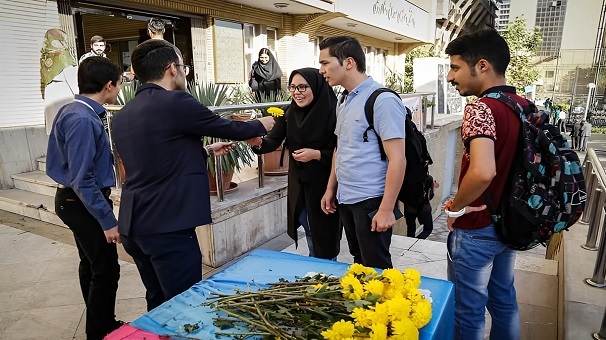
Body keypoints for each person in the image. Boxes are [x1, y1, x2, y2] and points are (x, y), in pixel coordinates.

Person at [111, 39, 275, 311]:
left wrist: (207, 151)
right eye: (184, 67)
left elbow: (156, 158)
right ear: (172, 68)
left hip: (134, 225)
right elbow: (229, 128)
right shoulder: (176, 101)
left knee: (157, 301)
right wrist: (262, 123)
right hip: (168, 228)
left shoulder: (123, 113)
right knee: (184, 306)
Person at [444, 29, 522, 340]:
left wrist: (456, 208)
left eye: (456, 67)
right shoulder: (523, 106)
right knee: (504, 299)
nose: (451, 77)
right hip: (511, 222)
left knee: (468, 308)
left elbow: (483, 172)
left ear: (483, 66)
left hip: (479, 226)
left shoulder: (481, 108)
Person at [46, 56, 123, 340]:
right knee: (105, 269)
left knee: (91, 264)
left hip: (77, 200)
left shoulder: (78, 111)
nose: (119, 90)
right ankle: (102, 330)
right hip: (80, 201)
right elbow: (82, 178)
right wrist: (107, 220)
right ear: (108, 85)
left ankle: (100, 322)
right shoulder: (81, 118)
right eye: (119, 83)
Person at [319, 36, 406, 270]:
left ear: (348, 62)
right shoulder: (344, 99)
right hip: (347, 196)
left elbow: (398, 158)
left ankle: (387, 307)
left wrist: (386, 209)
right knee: (359, 262)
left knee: (377, 266)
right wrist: (331, 188)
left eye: (325, 63)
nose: (321, 70)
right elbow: (341, 147)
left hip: (371, 199)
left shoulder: (382, 100)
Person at [246, 68, 341, 260]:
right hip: (300, 182)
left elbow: (344, 149)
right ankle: (317, 265)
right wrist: (258, 143)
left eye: (303, 87)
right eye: (293, 87)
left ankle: (326, 269)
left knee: (325, 233)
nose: (297, 92)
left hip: (327, 182)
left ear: (316, 86)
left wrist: (317, 154)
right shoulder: (290, 112)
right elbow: (273, 140)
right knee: (306, 223)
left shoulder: (334, 112)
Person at [40, 28, 79, 135]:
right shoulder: (63, 56)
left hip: (51, 95)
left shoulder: (45, 57)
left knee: (57, 131)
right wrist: (81, 97)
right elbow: (73, 79)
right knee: (71, 131)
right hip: (65, 93)